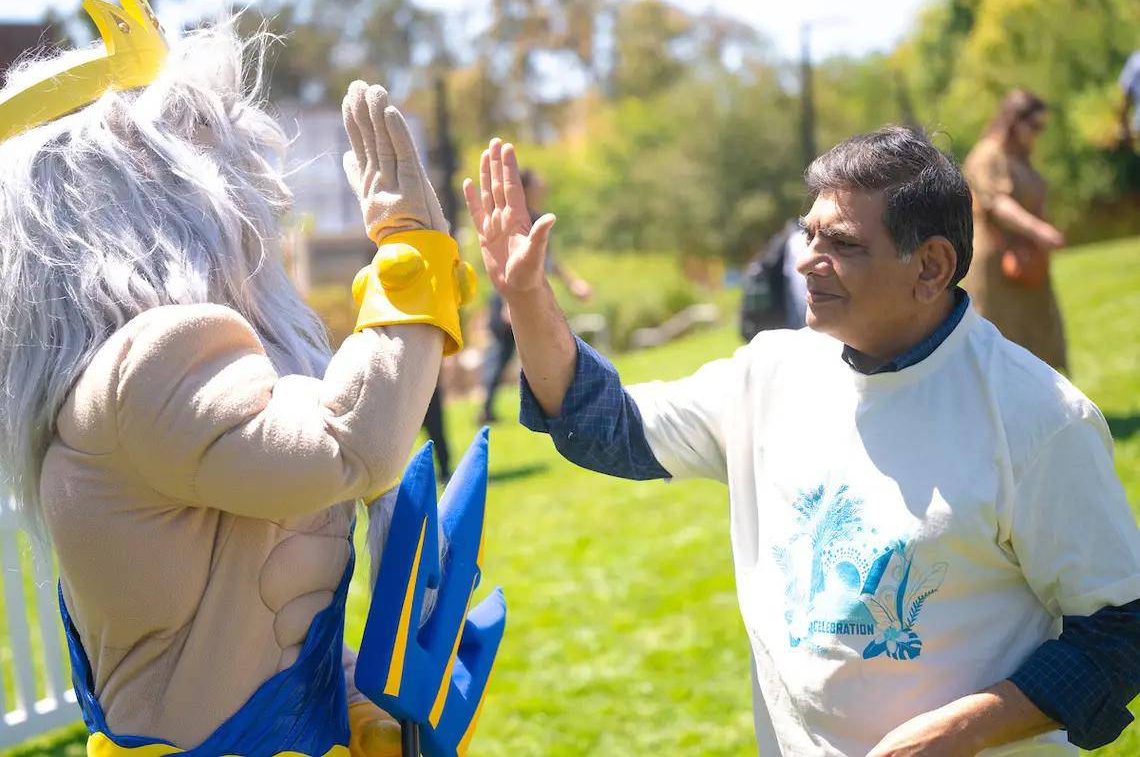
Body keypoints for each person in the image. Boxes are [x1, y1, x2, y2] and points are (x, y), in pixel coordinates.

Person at [462, 131, 1140, 756]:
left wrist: (954, 732)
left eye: (841, 244)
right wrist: (526, 296)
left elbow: (1120, 632)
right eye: (808, 235)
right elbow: (601, 426)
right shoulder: (770, 372)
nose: (808, 262)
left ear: (931, 266)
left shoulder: (1037, 419)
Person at [0, 0, 477, 754]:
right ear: (149, 196)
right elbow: (350, 443)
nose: (259, 200)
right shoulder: (145, 369)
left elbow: (254, 600)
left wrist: (353, 701)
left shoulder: (164, 374)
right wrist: (412, 260)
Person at [960, 90, 1069, 373]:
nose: (1037, 133)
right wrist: (1039, 230)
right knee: (1003, 338)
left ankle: (1043, 408)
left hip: (1029, 259)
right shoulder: (987, 155)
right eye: (1034, 126)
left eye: (1042, 128)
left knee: (1039, 332)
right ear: (1013, 120)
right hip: (999, 261)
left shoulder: (1020, 158)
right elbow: (996, 202)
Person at [478, 168, 592, 424]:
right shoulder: (518, 221)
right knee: (505, 355)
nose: (544, 186)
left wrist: (574, 283)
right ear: (526, 188)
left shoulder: (536, 217)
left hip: (526, 296)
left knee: (521, 353)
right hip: (509, 298)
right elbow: (506, 263)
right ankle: (489, 410)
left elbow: (548, 260)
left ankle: (545, 406)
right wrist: (509, 303)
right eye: (539, 183)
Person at [1119, 50, 1140, 148]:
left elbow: (1125, 100)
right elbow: (1125, 99)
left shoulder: (1136, 62)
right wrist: (1124, 126)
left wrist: (1124, 126)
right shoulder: (1136, 63)